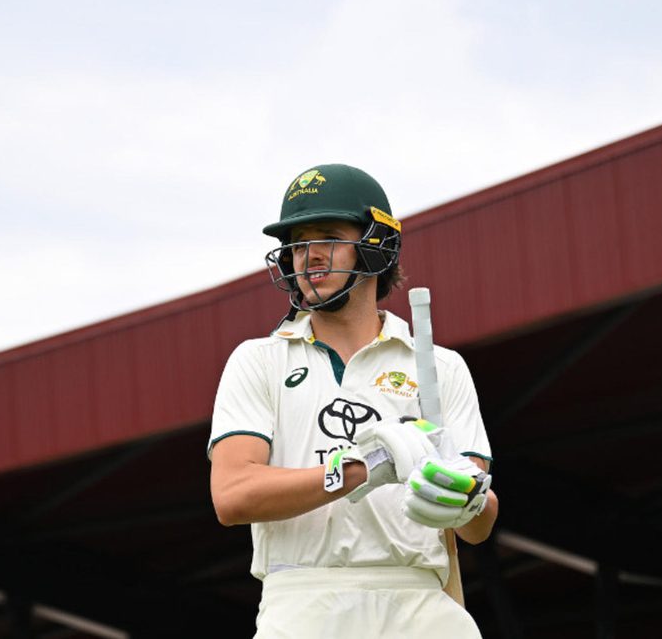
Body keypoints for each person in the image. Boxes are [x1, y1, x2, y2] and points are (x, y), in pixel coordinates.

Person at [207, 163, 499, 638]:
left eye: (327, 236)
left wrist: (462, 498)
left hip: (419, 600)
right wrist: (363, 468)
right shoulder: (258, 360)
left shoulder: (441, 367)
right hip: (303, 601)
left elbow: (478, 527)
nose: (309, 256)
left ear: (376, 245)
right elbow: (233, 495)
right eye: (296, 243)